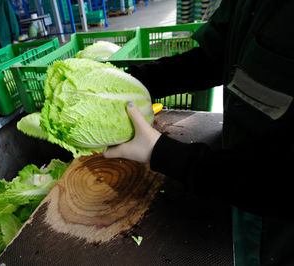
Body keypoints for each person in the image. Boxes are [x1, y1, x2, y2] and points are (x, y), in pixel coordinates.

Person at [104, 1, 294, 265]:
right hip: (233, 177)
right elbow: (216, 56)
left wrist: (162, 152)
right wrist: (133, 82)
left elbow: (282, 184)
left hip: (281, 228)